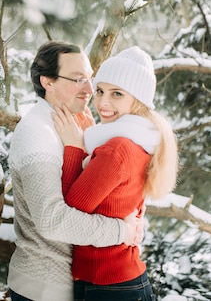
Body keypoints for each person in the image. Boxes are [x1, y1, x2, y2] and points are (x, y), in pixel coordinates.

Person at [7, 41, 144, 301]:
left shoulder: (73, 125)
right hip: (45, 288)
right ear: (47, 82)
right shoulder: (38, 132)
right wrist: (122, 232)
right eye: (79, 79)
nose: (90, 90)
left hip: (72, 286)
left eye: (90, 78)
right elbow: (51, 220)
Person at [52, 46, 179, 301]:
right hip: (122, 282)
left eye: (117, 94)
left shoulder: (117, 149)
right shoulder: (139, 142)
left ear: (138, 101)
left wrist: (74, 147)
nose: (102, 102)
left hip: (107, 286)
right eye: (99, 91)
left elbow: (70, 210)